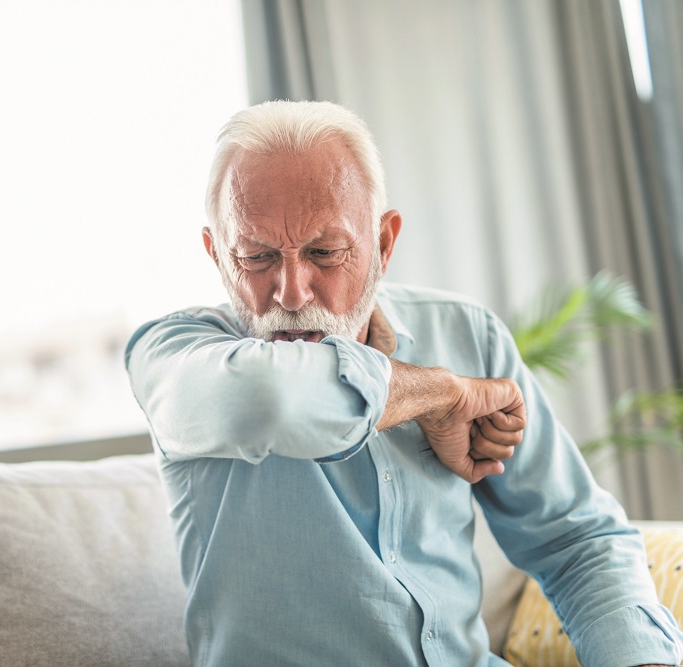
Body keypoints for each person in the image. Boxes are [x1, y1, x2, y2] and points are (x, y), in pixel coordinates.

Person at [125, 100, 683, 667]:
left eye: (325, 252)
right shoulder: (173, 356)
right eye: (257, 255)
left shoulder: (466, 332)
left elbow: (575, 540)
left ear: (384, 244)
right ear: (217, 255)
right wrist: (442, 394)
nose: (291, 293)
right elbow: (265, 400)